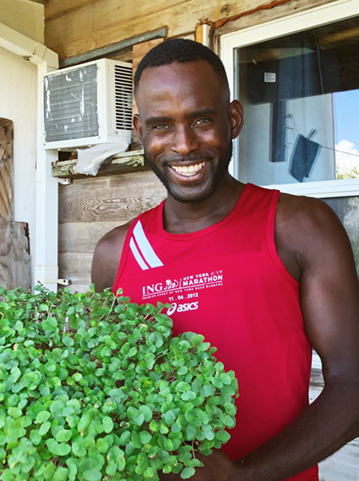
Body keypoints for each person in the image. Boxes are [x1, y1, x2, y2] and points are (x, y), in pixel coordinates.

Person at [91, 38, 359, 481]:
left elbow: (352, 386)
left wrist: (242, 476)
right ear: (141, 131)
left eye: (200, 120)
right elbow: (112, 388)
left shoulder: (299, 227)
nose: (183, 145)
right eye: (161, 126)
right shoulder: (114, 254)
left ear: (232, 120)